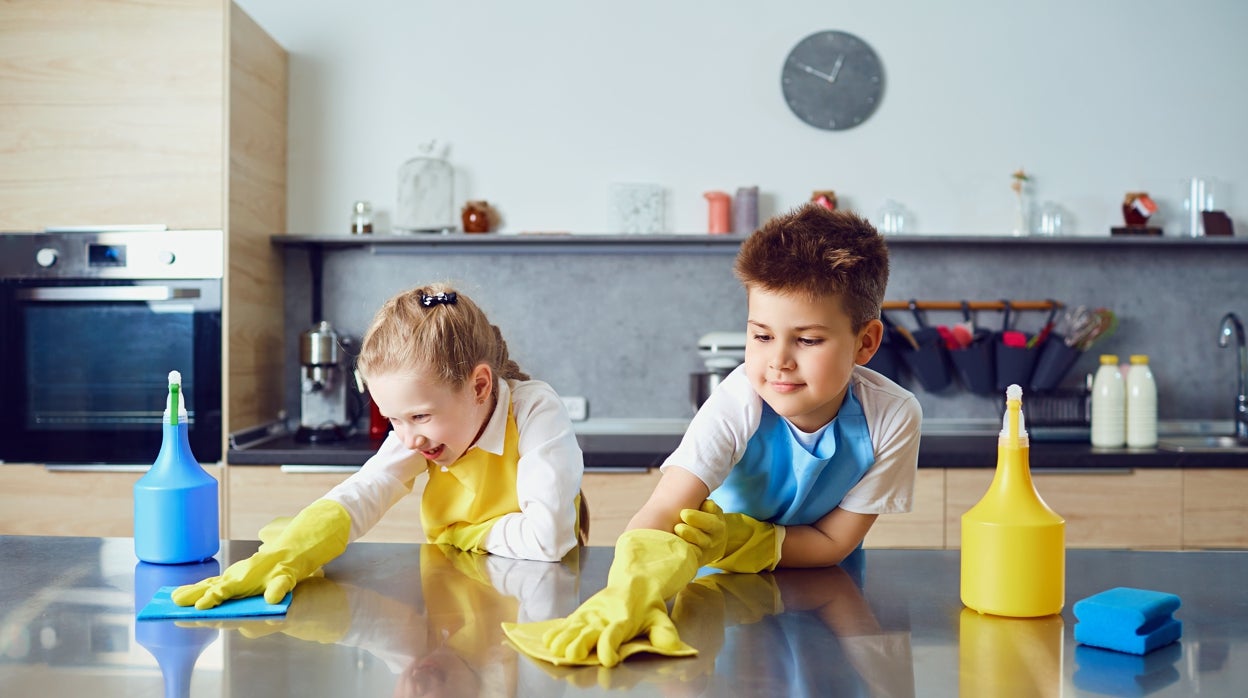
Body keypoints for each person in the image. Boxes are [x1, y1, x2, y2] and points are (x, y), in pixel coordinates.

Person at [504, 203, 921, 666]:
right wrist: (628, 592)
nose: (778, 360)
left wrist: (739, 538)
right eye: (762, 336)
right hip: (716, 596)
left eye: (807, 340)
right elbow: (664, 509)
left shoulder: (893, 417)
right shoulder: (738, 400)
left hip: (824, 598)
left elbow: (833, 544)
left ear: (865, 342)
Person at [173, 284, 587, 610]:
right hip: (460, 597)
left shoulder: (534, 410)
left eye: (420, 416)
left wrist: (464, 534)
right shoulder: (420, 431)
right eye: (393, 419)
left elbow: (547, 540)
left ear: (479, 385)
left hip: (540, 601)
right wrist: (293, 550)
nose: (407, 438)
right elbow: (366, 489)